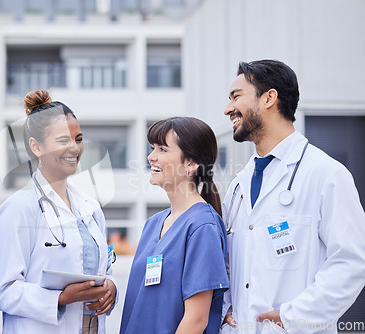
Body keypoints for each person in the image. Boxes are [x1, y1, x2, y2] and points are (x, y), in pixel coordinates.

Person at [221, 59, 365, 333]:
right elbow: (229, 263)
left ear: (269, 98)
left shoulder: (326, 175)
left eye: (236, 97)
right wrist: (226, 308)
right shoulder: (239, 185)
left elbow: (351, 264)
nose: (228, 109)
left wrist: (292, 318)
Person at [0, 89, 118, 334]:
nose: (74, 148)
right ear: (36, 147)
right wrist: (59, 298)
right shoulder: (19, 208)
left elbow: (105, 270)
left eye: (79, 139)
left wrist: (111, 287)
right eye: (63, 140)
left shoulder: (91, 208)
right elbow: (5, 291)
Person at [120, 117, 229, 334]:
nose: (151, 157)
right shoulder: (153, 224)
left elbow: (196, 320)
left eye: (162, 149)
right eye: (153, 148)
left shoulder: (202, 226)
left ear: (190, 163)